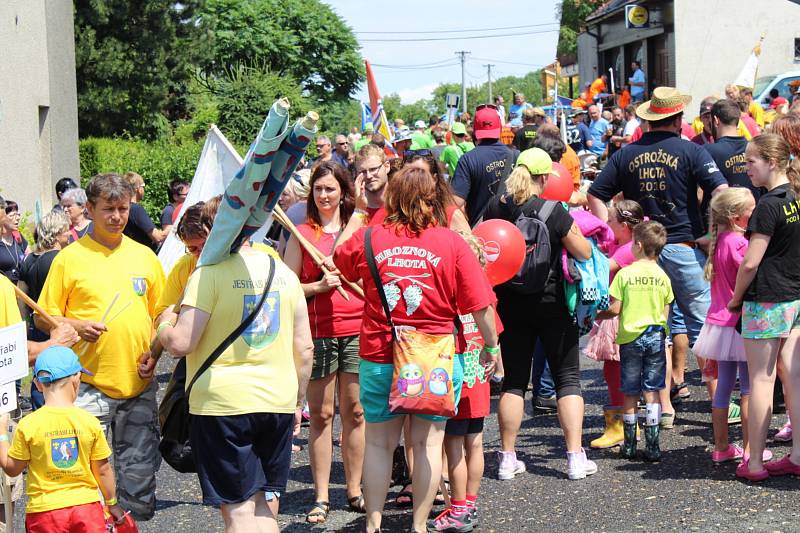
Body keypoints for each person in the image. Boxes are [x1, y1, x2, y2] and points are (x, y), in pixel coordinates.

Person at [331, 165, 498, 533]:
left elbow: (338, 258)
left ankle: (374, 524)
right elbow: (481, 306)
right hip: (434, 357)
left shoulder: (370, 237)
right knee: (426, 444)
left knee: (378, 444)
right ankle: (419, 526)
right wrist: (490, 346)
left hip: (379, 355)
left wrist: (360, 211)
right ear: (433, 199)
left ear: (391, 197)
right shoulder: (451, 242)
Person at [158, 219, 314, 533]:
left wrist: (163, 324)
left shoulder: (208, 274)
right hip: (278, 400)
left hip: (223, 405)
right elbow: (305, 348)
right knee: (262, 504)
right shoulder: (283, 273)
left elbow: (180, 343)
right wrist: (298, 402)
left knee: (239, 511)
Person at [35, 173, 165, 520]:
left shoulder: (145, 257)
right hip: (86, 386)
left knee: (138, 481)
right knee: (87, 478)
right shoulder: (69, 258)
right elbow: (42, 316)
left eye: (123, 209)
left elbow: (162, 316)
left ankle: (130, 526)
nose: (117, 217)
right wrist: (75, 326)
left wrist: (156, 353)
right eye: (108, 209)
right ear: (90, 209)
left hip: (137, 385)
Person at [588, 87, 728, 389]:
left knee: (647, 325)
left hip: (639, 252)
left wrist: (608, 233)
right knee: (701, 325)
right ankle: (720, 399)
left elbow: (596, 193)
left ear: (648, 121)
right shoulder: (691, 150)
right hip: (683, 247)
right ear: (678, 120)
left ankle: (658, 401)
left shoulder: (626, 153)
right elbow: (720, 191)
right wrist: (712, 234)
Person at [485, 148, 594, 480]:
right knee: (568, 379)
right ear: (546, 178)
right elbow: (584, 251)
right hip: (553, 303)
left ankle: (506, 458)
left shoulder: (497, 206)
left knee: (515, 382)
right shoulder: (553, 210)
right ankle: (575, 458)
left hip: (510, 303)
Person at [283, 162, 366, 524]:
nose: (324, 195)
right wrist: (317, 287)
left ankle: (354, 489)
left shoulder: (358, 227)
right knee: (321, 415)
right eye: (318, 189)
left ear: (343, 192)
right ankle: (320, 496)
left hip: (356, 328)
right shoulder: (301, 232)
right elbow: (286, 288)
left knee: (356, 413)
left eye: (330, 189)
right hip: (317, 333)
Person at [728, 134, 800, 480]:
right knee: (794, 378)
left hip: (767, 299)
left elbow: (751, 262)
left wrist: (736, 297)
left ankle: (754, 462)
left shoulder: (768, 205)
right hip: (794, 297)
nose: (746, 169)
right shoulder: (796, 197)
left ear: (772, 162)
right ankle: (797, 456)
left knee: (761, 378)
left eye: (751, 162)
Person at [0, 346, 128, 531]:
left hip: (44, 512)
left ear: (37, 384)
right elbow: (103, 470)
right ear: (77, 379)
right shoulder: (89, 422)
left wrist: (2, 432)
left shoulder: (28, 425)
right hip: (85, 508)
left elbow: (12, 468)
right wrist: (112, 503)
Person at [429, 232, 498, 533]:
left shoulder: (451, 299)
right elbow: (495, 339)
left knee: (453, 446)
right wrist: (497, 370)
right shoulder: (487, 299)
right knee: (476, 444)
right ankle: (469, 503)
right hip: (480, 381)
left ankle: (457, 509)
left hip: (457, 382)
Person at [692, 187, 762, 464]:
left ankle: (721, 447)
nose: (754, 213)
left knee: (722, 389)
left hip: (718, 323)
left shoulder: (719, 240)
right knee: (748, 388)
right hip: (738, 323)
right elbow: (751, 270)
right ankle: (749, 449)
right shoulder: (739, 243)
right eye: (751, 209)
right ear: (736, 215)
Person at [599, 221, 673, 462]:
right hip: (655, 335)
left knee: (630, 391)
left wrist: (595, 314)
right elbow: (665, 311)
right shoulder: (662, 276)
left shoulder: (625, 274)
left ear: (638, 245)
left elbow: (615, 309)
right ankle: (653, 446)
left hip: (631, 337)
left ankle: (629, 445)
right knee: (652, 390)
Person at [585, 200, 643, 449]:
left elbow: (603, 267)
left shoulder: (627, 250)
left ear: (625, 226)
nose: (607, 226)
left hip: (620, 315)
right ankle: (625, 425)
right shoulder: (624, 244)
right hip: (620, 313)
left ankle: (621, 427)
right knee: (614, 371)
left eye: (610, 222)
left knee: (617, 370)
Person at [19, 210, 72, 408]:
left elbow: (22, 296)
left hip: (36, 325)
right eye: (67, 230)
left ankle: (39, 406)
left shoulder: (32, 259)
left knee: (40, 369)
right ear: (58, 232)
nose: (69, 234)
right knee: (56, 373)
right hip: (55, 324)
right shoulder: (59, 260)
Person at [451, 105, 519, 226]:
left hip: (482, 232)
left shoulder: (467, 159)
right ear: (500, 128)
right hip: (513, 230)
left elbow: (455, 203)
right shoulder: (515, 155)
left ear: (475, 130)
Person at [122, 171, 166, 250]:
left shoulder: (124, 208)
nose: (143, 189)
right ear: (138, 189)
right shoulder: (136, 209)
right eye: (143, 186)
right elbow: (158, 237)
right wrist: (173, 228)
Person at [0, 197, 27, 283]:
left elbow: (29, 257)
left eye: (18, 214)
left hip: (20, 290)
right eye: (12, 215)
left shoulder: (18, 236)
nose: (17, 218)